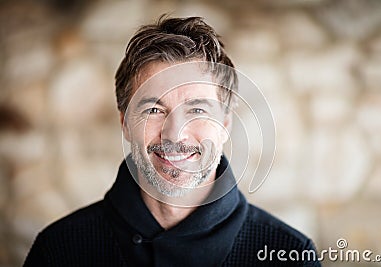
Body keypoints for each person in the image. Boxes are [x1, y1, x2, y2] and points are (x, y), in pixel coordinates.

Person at [24, 15, 321, 266]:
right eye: (154, 109)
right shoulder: (60, 250)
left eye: (197, 109)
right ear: (125, 123)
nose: (175, 134)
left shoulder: (291, 256)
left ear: (225, 124)